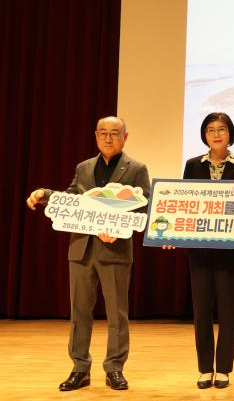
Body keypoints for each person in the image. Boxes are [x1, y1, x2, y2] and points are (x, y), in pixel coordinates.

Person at [26, 116, 150, 391]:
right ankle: (80, 368)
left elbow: (144, 207)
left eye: (114, 133)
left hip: (115, 249)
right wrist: (44, 194)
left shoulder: (137, 168)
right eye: (103, 133)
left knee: (117, 313)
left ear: (125, 137)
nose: (108, 138)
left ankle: (115, 368)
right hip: (82, 248)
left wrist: (118, 228)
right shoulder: (83, 167)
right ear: (95, 136)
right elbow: (71, 198)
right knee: (79, 312)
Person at [162, 112, 234, 389]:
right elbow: (184, 202)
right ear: (204, 135)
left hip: (231, 250)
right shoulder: (193, 165)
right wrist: (170, 231)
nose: (216, 134)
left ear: (230, 133)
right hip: (199, 250)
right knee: (201, 312)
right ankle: (204, 369)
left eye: (221, 129)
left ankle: (223, 369)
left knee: (228, 312)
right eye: (210, 130)